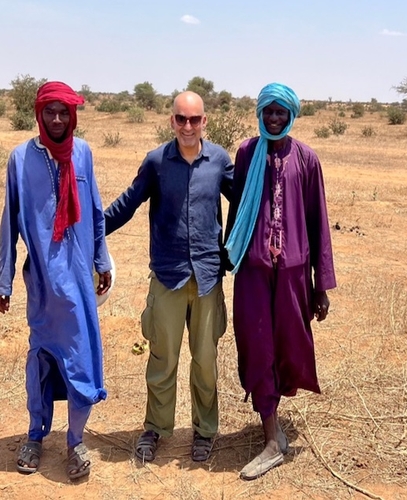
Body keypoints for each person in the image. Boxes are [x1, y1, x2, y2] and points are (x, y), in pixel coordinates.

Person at [105, 91, 233, 463]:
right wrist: (90, 233)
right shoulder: (157, 162)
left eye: (195, 120)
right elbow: (127, 204)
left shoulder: (219, 161)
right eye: (181, 119)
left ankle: (205, 431)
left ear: (205, 121)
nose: (188, 126)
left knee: (205, 360)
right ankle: (156, 429)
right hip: (167, 275)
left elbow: (244, 203)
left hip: (208, 276)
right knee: (162, 360)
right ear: (171, 121)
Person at [0, 81, 112, 480]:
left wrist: (102, 259)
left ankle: (75, 442)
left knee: (81, 359)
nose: (59, 119)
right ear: (39, 113)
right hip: (43, 283)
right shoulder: (19, 159)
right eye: (51, 111)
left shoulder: (82, 153)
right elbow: (9, 222)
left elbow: (96, 211)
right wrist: (4, 280)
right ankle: (34, 436)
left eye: (65, 111)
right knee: (42, 360)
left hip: (80, 280)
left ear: (74, 115)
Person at [225, 83, 336, 480]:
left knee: (288, 346)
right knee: (257, 346)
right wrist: (230, 253)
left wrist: (320, 285)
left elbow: (318, 221)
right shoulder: (246, 153)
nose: (274, 118)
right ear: (259, 113)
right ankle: (272, 440)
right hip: (254, 271)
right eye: (268, 111)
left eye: (281, 112)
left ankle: (274, 428)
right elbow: (239, 207)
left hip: (292, 275)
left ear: (292, 115)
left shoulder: (306, 159)